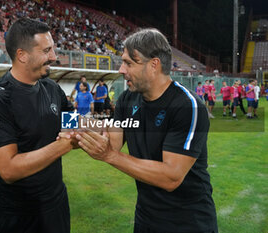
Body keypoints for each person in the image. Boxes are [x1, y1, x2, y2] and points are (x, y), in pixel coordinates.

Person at [68, 29, 218, 233]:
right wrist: (75, 129)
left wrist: (110, 156)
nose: (121, 70)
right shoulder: (127, 100)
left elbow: (171, 177)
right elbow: (112, 140)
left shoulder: (187, 105)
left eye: (129, 63)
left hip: (188, 222)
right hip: (146, 219)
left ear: (154, 65)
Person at [0, 18, 75, 233]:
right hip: (18, 212)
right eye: (46, 50)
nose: (54, 57)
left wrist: (92, 128)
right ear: (22, 55)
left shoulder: (52, 87)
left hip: (56, 202)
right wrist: (63, 145)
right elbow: (9, 169)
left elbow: (72, 121)